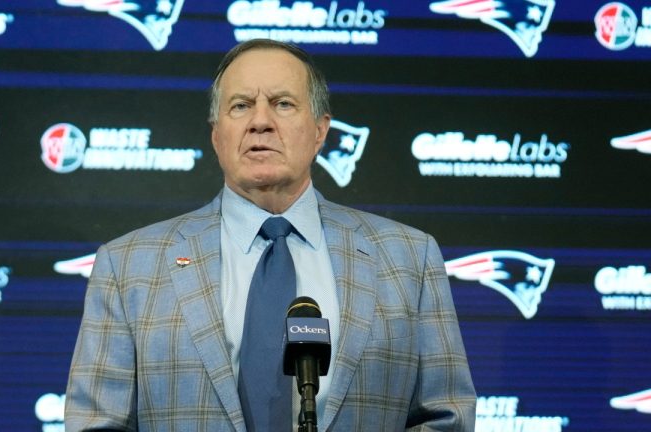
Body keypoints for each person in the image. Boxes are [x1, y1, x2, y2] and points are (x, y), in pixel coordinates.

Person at [65, 39, 476, 431]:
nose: (260, 122)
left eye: (282, 104)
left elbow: (445, 418)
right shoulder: (128, 266)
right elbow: (97, 424)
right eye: (241, 106)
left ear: (320, 131)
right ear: (216, 135)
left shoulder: (408, 258)